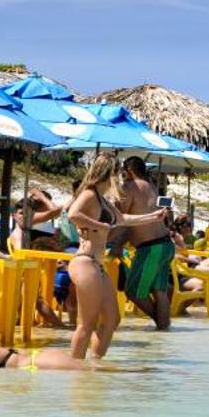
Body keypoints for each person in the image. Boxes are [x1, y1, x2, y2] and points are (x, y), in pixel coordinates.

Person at [64, 153, 164, 359]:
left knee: (112, 320)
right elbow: (73, 214)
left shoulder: (103, 200)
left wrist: (153, 216)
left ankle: (94, 366)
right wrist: (100, 225)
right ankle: (74, 370)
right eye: (118, 173)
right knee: (87, 323)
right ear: (110, 173)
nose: (120, 178)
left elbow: (123, 219)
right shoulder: (90, 194)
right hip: (85, 261)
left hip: (97, 265)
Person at [117, 157, 177, 330]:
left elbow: (122, 218)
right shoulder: (151, 185)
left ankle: (159, 323)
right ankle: (163, 332)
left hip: (151, 248)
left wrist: (117, 244)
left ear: (129, 170)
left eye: (123, 170)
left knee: (133, 291)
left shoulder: (130, 187)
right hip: (166, 245)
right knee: (159, 291)